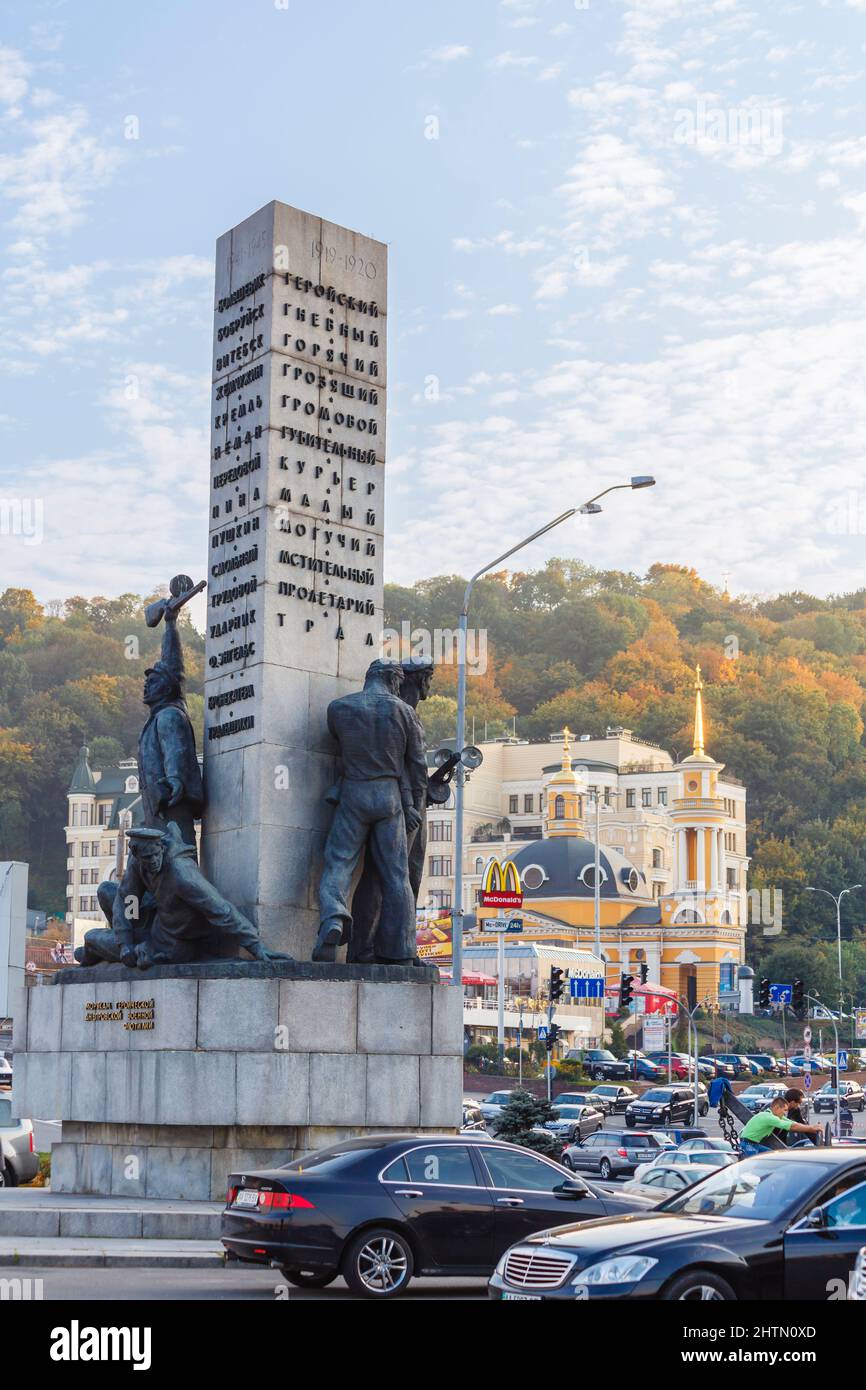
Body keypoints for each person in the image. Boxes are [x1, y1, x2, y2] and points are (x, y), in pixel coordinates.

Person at [313, 659, 428, 965]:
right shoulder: (405, 712)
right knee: (396, 875)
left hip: (353, 793)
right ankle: (400, 950)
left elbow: (339, 746)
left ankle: (334, 919)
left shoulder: (338, 709)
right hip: (388, 797)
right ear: (393, 680)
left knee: (338, 863)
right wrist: (414, 803)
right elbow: (417, 764)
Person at [739, 1095, 823, 1156]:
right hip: (748, 1145)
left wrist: (811, 1127)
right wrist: (811, 1128)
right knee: (750, 1169)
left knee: (773, 1157)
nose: (785, 1113)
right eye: (784, 1110)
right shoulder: (769, 1117)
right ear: (776, 1108)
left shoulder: (773, 1115)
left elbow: (792, 1123)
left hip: (754, 1144)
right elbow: (792, 1126)